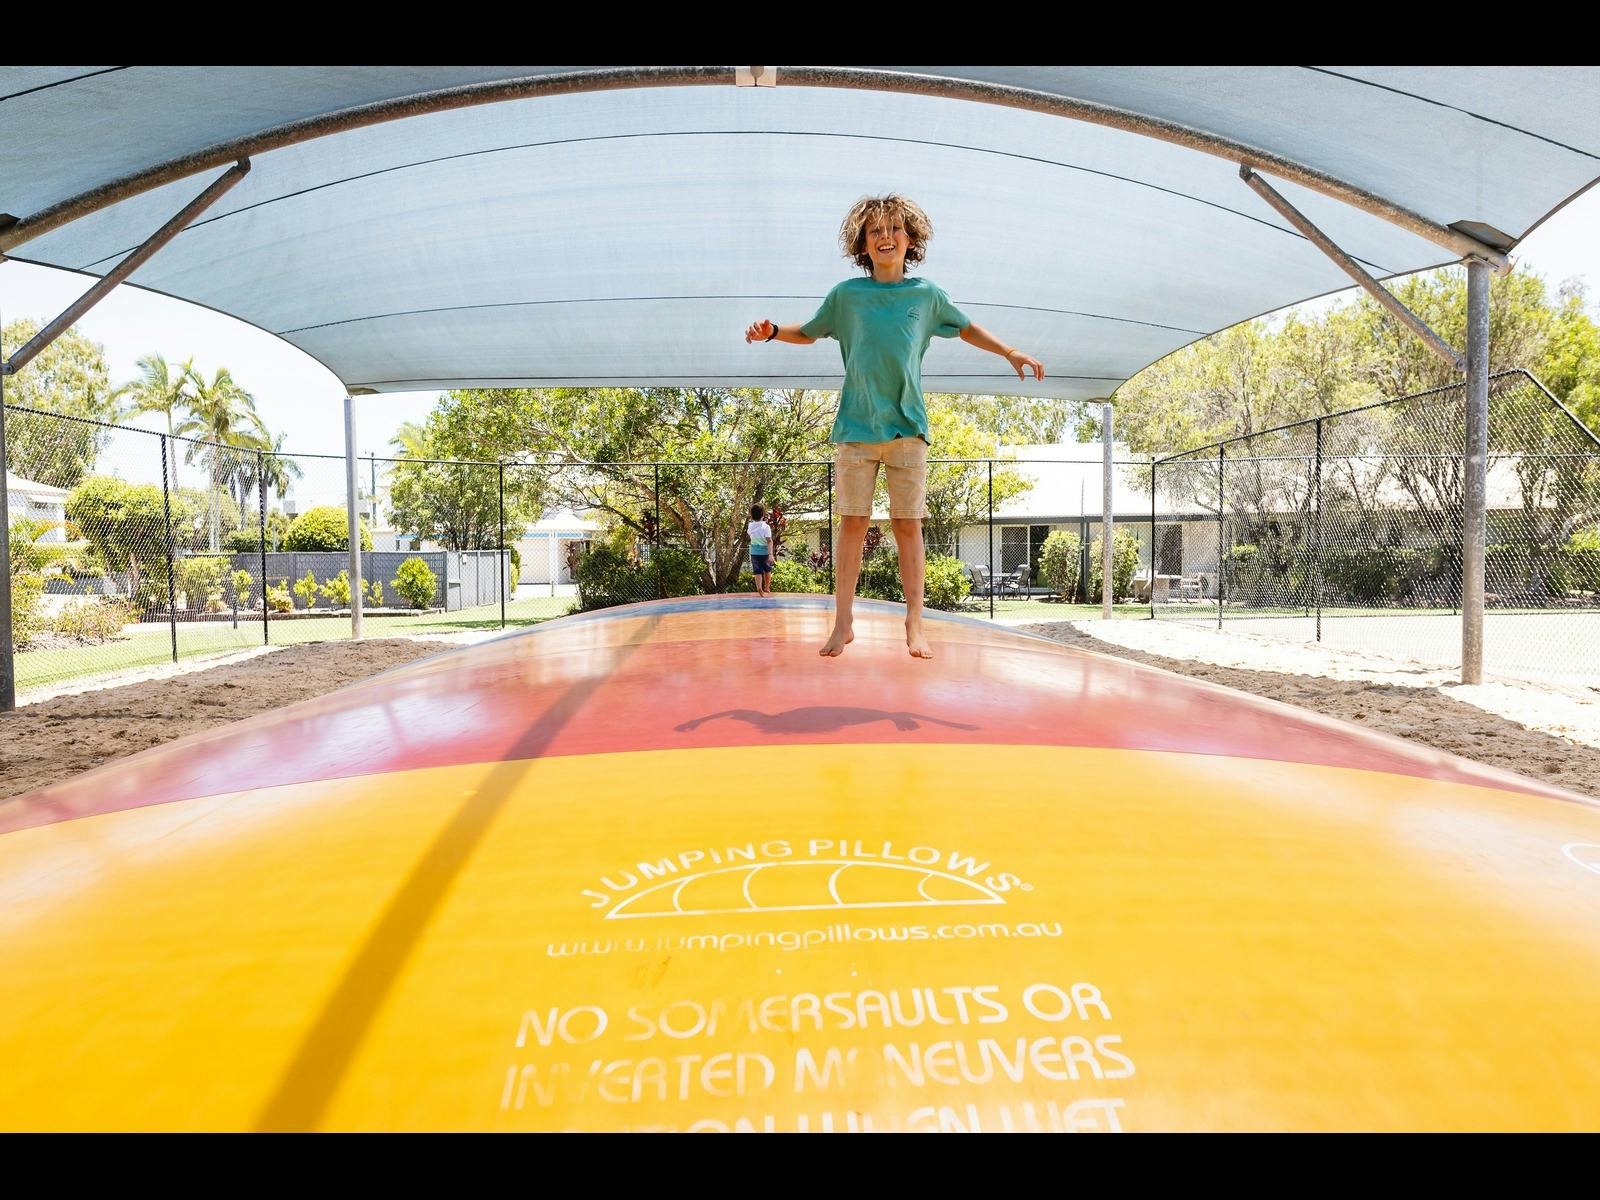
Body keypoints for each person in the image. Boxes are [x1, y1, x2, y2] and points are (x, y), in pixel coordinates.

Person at [744, 194, 1044, 658]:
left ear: (911, 239)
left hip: (908, 431)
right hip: (856, 431)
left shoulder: (926, 296)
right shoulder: (847, 297)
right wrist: (773, 332)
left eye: (894, 229)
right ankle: (843, 622)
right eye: (875, 231)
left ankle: (915, 623)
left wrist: (1009, 352)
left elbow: (965, 327)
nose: (886, 237)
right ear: (863, 244)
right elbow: (808, 330)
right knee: (852, 524)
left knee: (908, 526)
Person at [748, 504, 775, 597]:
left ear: (751, 515)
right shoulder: (766, 527)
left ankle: (759, 587)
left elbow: (750, 534)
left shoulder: (750, 526)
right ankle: (767, 587)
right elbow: (769, 541)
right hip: (765, 553)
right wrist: (771, 554)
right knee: (767, 570)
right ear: (763, 514)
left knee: (757, 571)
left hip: (754, 553)